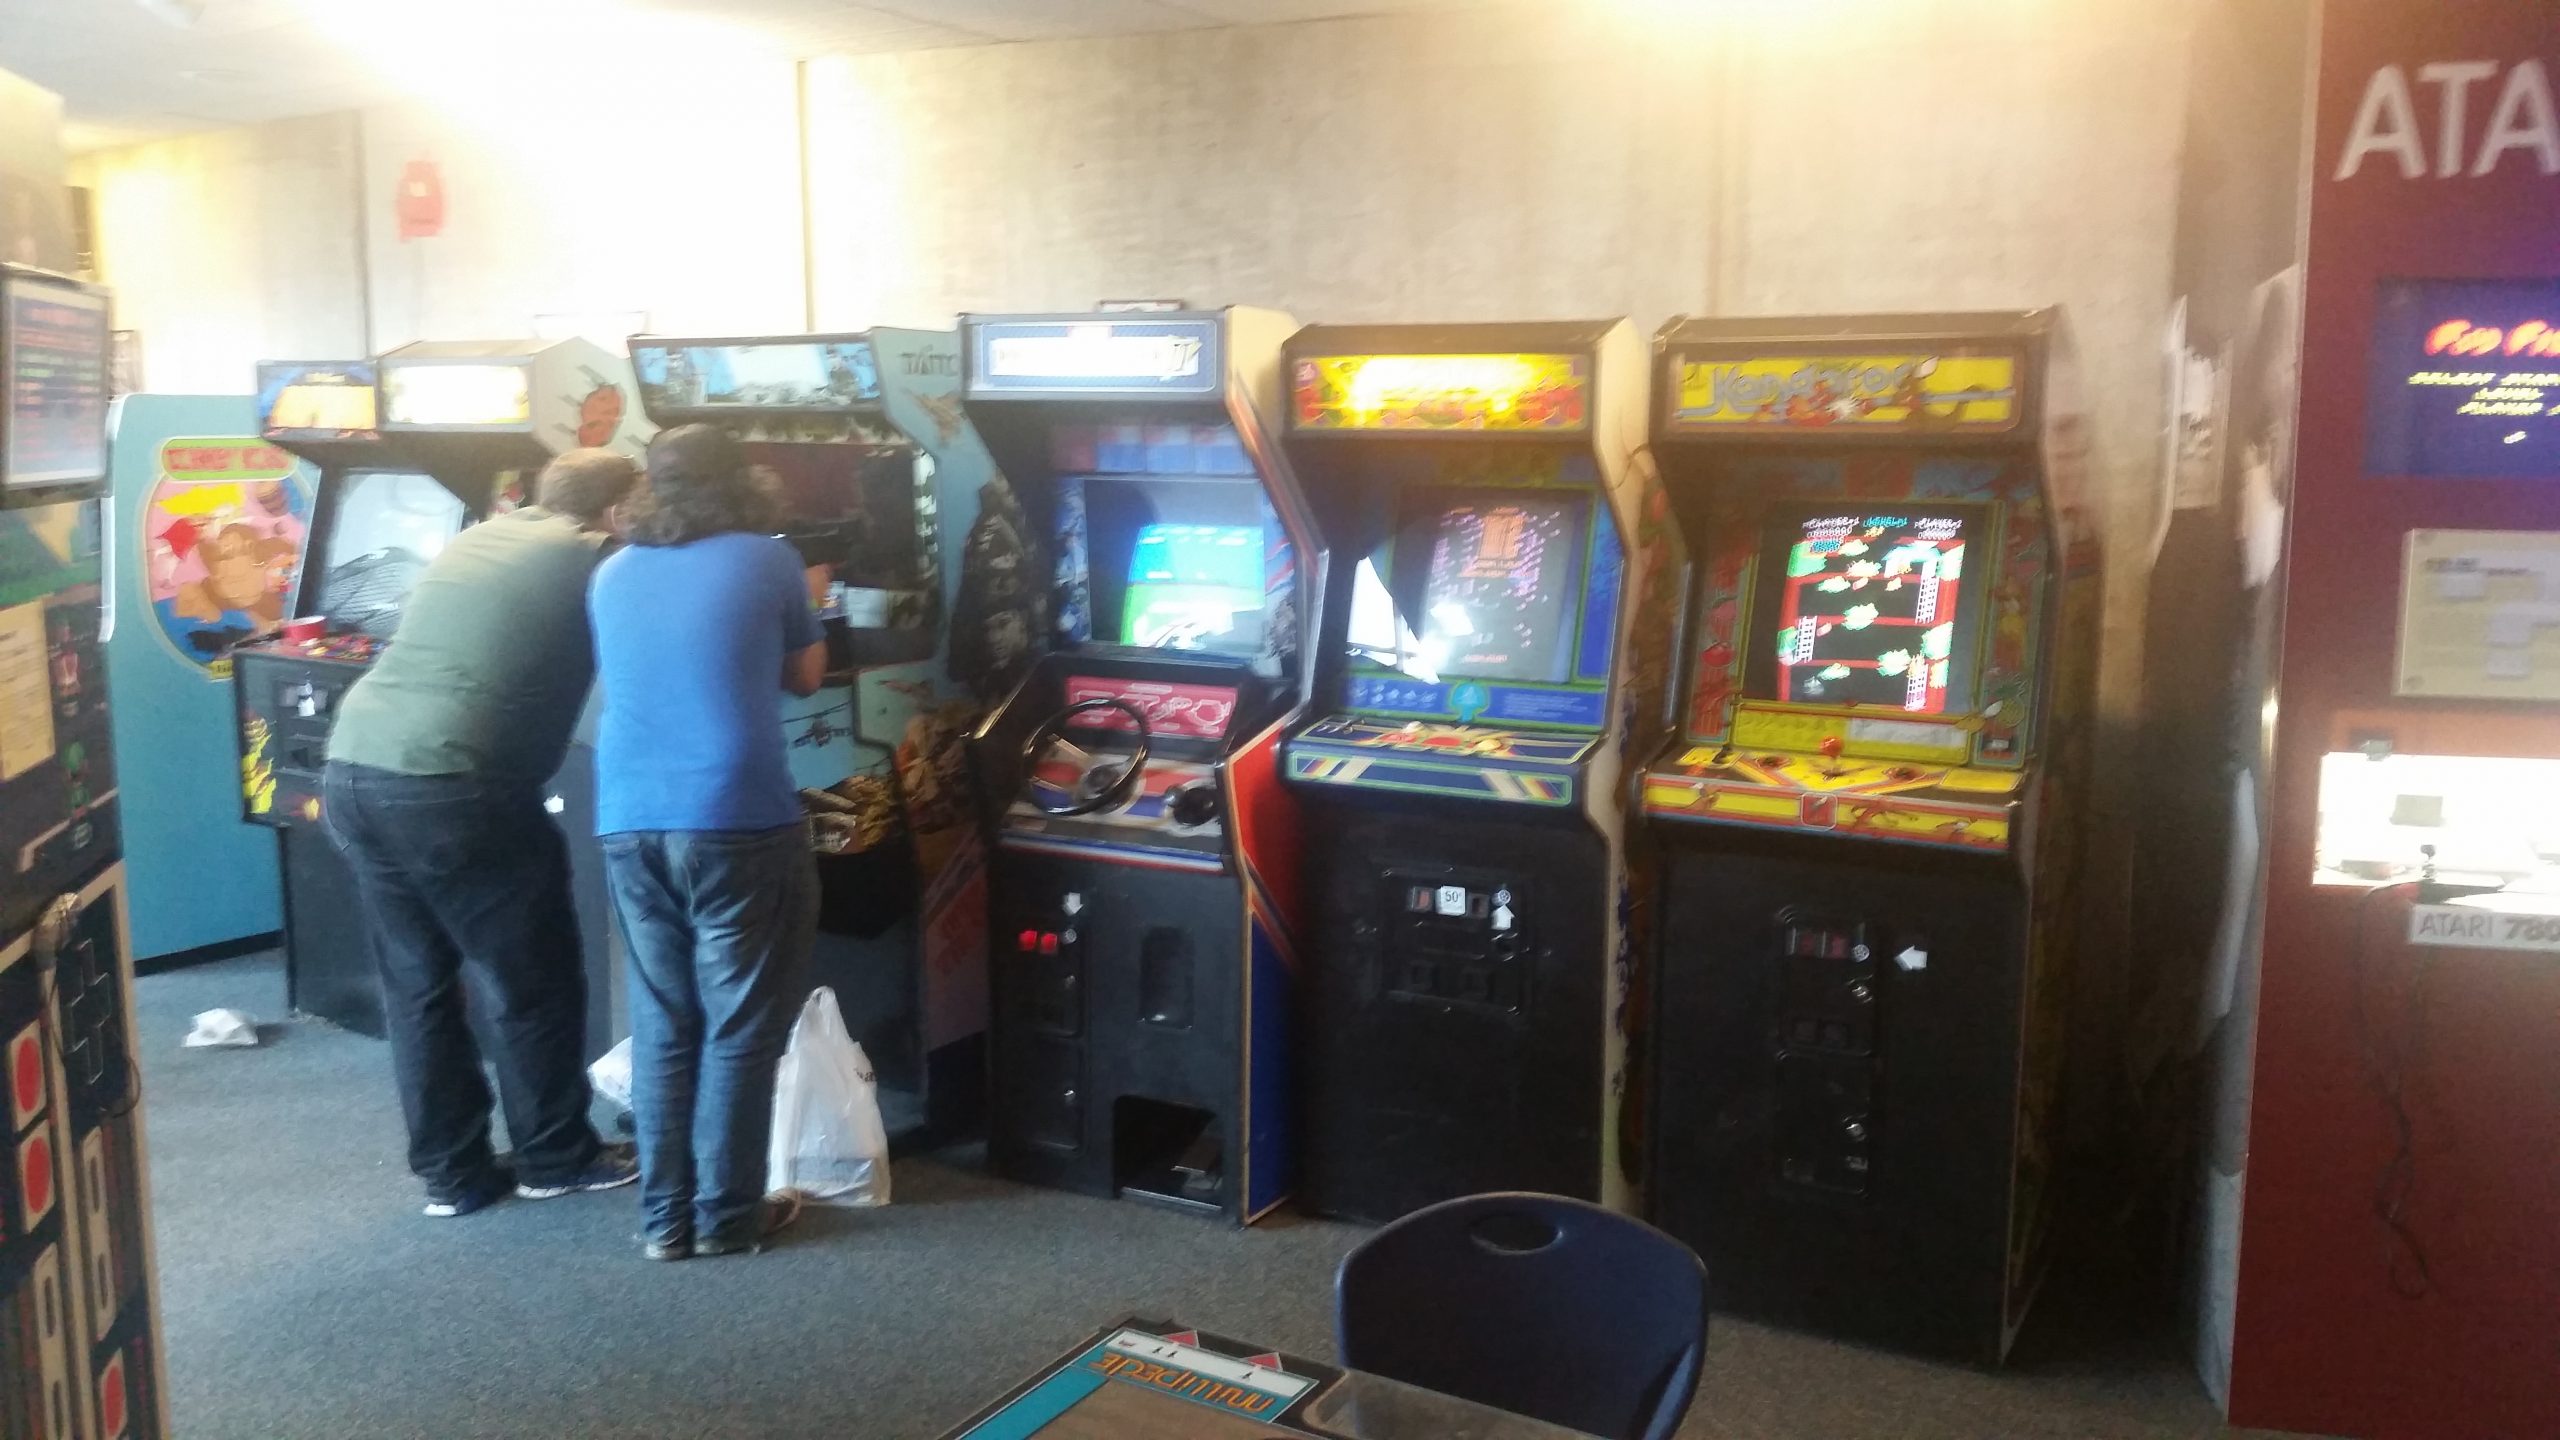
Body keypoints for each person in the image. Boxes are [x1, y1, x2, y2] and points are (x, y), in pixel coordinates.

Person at [321, 449, 643, 1217]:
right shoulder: (599, 555)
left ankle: (453, 1175)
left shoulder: (484, 534)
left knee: (419, 987)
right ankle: (555, 1157)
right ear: (618, 510)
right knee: (532, 979)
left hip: (355, 767)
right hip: (453, 785)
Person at [588, 424, 825, 1261]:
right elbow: (805, 677)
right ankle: (726, 1218)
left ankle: (664, 1223)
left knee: (662, 1023)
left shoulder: (612, 570)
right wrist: (812, 601)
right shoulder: (769, 558)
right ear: (745, 482)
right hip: (734, 812)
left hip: (627, 814)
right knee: (740, 1025)